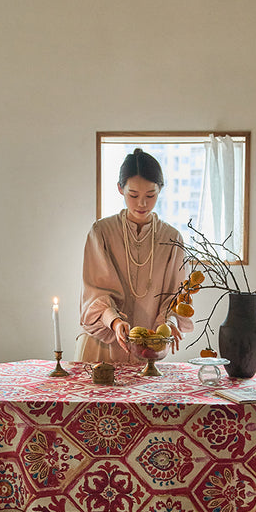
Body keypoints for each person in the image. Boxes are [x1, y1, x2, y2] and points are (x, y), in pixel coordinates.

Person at [75, 148, 193, 363]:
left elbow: (176, 296)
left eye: (150, 195)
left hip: (147, 350)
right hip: (102, 345)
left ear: (160, 190)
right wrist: (115, 321)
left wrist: (170, 323)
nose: (142, 203)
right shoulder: (101, 232)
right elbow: (94, 293)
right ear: (120, 189)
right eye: (133, 195)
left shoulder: (171, 238)